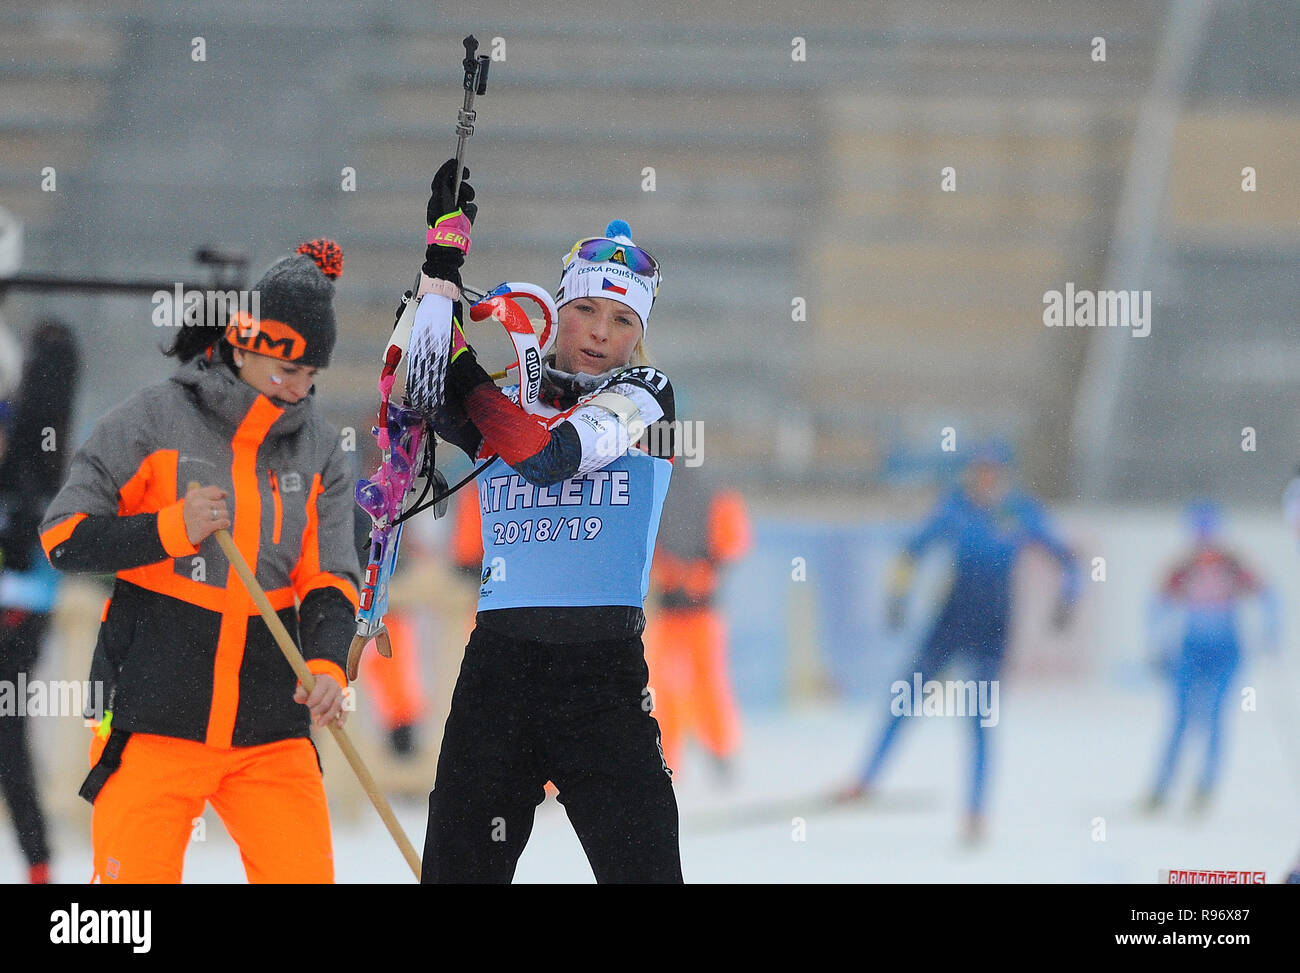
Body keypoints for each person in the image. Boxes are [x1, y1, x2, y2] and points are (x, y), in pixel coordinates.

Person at [38, 239, 361, 883]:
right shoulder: (152, 419)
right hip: (152, 716)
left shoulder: (322, 450)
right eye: (285, 369)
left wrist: (326, 661)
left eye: (310, 376)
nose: (298, 390)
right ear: (242, 344)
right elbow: (64, 537)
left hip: (272, 725)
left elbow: (330, 577)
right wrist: (169, 529)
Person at [411, 159, 682, 883]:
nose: (600, 333)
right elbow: (419, 382)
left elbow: (547, 456)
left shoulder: (646, 395)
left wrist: (461, 370)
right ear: (558, 310)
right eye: (587, 310)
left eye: (624, 319)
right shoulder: (504, 398)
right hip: (499, 674)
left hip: (602, 679)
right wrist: (440, 260)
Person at [839, 441, 1079, 844]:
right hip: (950, 622)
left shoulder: (1019, 513)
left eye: (991, 473)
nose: (983, 481)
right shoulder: (955, 510)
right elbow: (910, 552)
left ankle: (976, 812)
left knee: (980, 721)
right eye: (977, 472)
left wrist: (1067, 601)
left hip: (992, 629)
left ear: (1003, 476)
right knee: (905, 698)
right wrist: (897, 597)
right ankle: (865, 779)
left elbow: (1067, 559)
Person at [0, 320, 79, 883]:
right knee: (11, 745)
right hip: (24, 614)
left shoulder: (35, 472)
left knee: (9, 745)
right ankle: (40, 864)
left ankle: (40, 866)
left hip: (19, 619)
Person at [1142, 501, 1277, 814]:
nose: (1204, 540)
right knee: (1179, 719)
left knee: (1215, 718)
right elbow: (1156, 603)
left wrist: (1271, 633)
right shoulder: (1184, 565)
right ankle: (1160, 789)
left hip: (1226, 651)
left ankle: (1205, 788)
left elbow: (1268, 595)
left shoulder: (1232, 563)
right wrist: (1156, 644)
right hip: (1190, 650)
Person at [642, 467, 752, 778]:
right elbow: (732, 542)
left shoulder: (662, 486)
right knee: (683, 683)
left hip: (694, 609)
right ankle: (703, 753)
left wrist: (683, 572)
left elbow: (730, 542)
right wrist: (694, 572)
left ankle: (707, 752)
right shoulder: (710, 488)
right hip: (683, 608)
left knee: (687, 682)